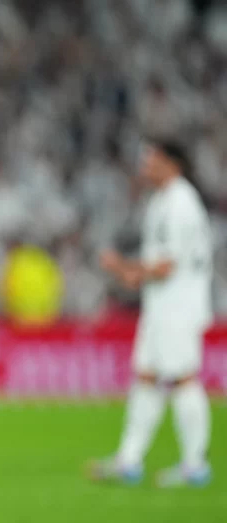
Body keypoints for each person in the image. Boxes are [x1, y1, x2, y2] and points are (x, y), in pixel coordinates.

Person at [90, 140, 213, 487]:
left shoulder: (180, 203)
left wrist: (126, 266)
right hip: (161, 303)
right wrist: (132, 273)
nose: (145, 164)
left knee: (182, 376)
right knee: (146, 374)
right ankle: (129, 460)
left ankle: (195, 464)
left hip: (178, 304)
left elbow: (167, 265)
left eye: (152, 158)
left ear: (172, 164)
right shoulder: (162, 200)